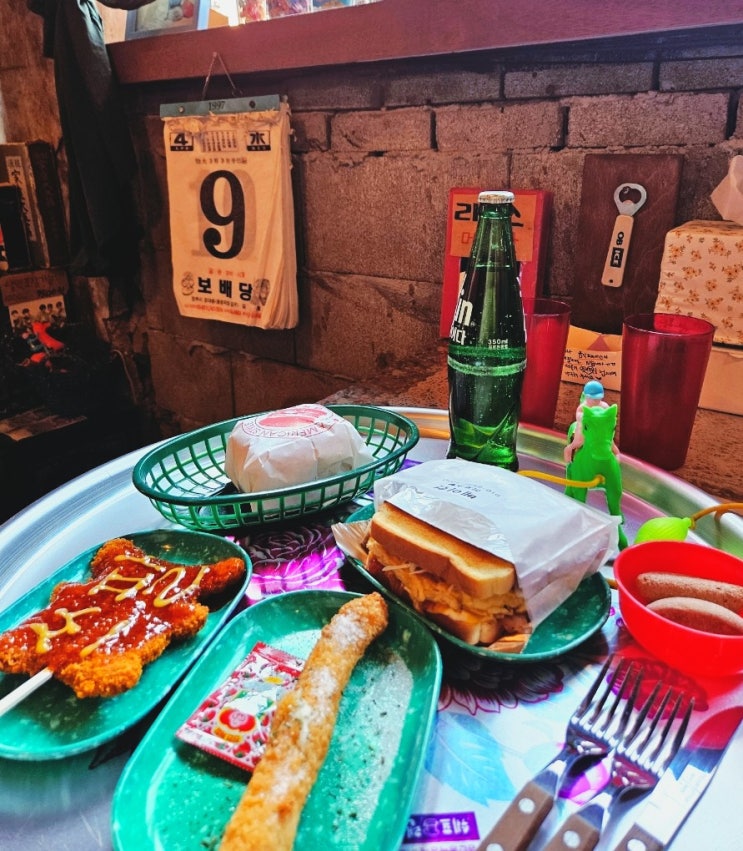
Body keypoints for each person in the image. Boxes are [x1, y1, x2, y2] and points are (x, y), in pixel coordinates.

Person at [563, 380, 619, 464]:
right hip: (586, 430)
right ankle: (568, 458)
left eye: (598, 398)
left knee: (611, 445)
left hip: (600, 431)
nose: (596, 401)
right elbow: (579, 417)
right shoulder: (583, 407)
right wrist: (587, 418)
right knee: (578, 442)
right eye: (593, 399)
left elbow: (609, 417)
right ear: (586, 397)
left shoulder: (604, 406)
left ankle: (615, 460)